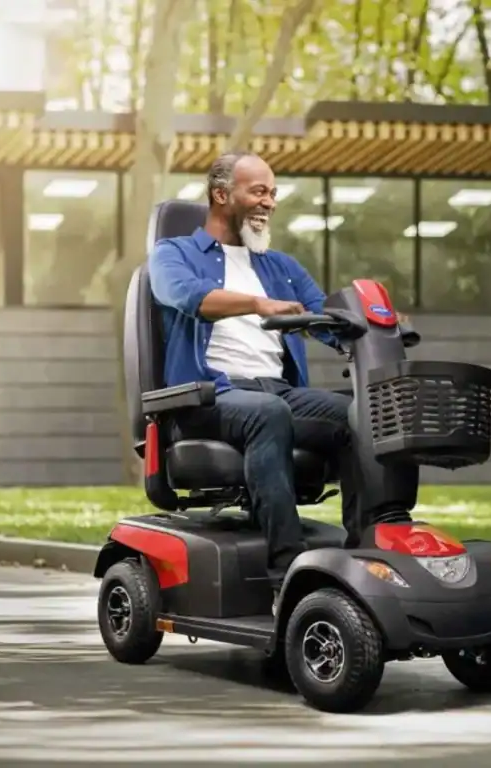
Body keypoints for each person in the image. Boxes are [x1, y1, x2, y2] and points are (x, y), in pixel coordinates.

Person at [147, 151, 359, 610]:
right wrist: (258, 305)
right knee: (268, 414)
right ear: (222, 195)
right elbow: (183, 294)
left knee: (359, 414)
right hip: (207, 397)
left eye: (273, 192)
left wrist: (370, 324)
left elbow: (322, 316)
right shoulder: (173, 254)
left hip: (276, 391)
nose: (270, 202)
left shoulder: (280, 267)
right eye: (258, 191)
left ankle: (365, 555)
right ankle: (286, 577)